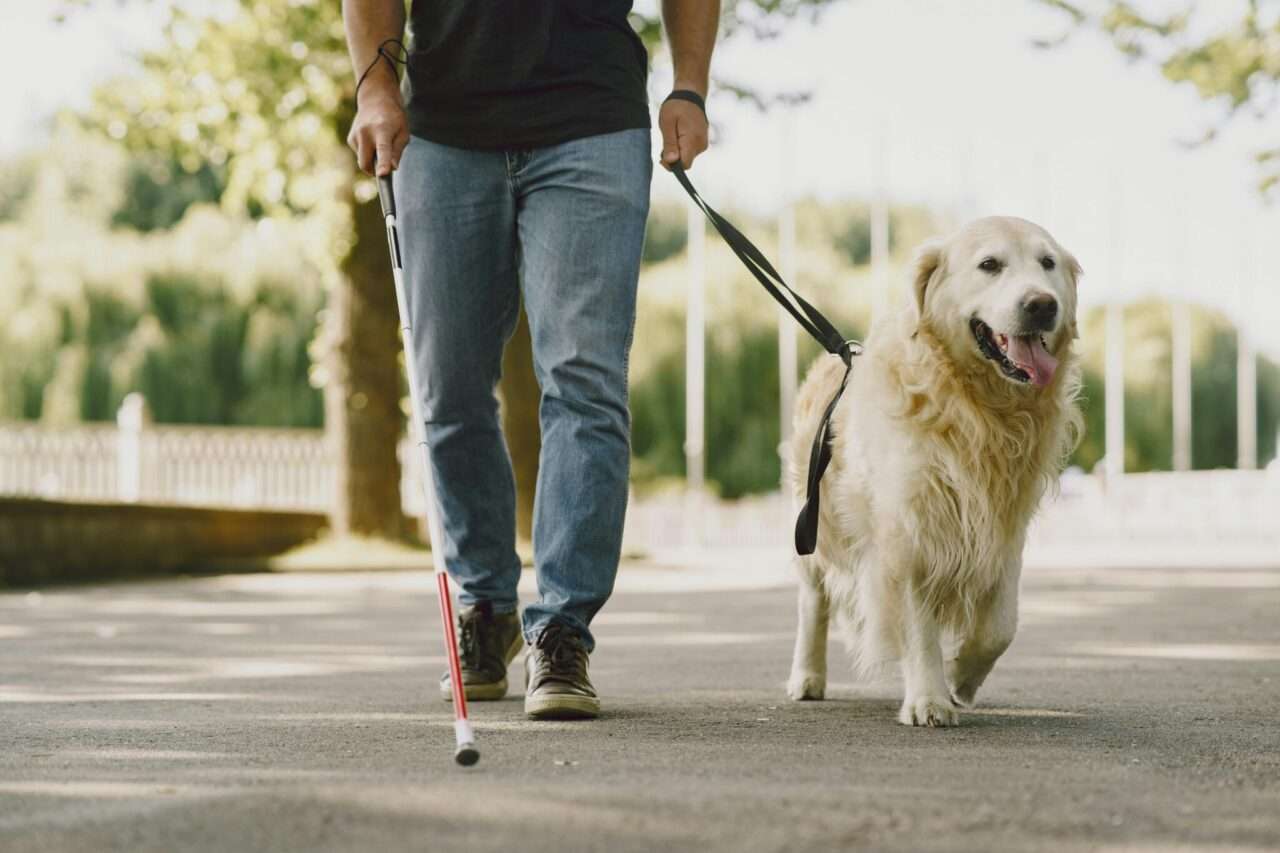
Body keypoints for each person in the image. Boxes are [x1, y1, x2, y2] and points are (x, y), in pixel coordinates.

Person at [342, 1, 718, 720]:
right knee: (446, 385)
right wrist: (375, 88)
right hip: (445, 128)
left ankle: (562, 630)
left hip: (593, 120)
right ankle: (485, 605)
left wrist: (689, 86)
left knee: (584, 379)